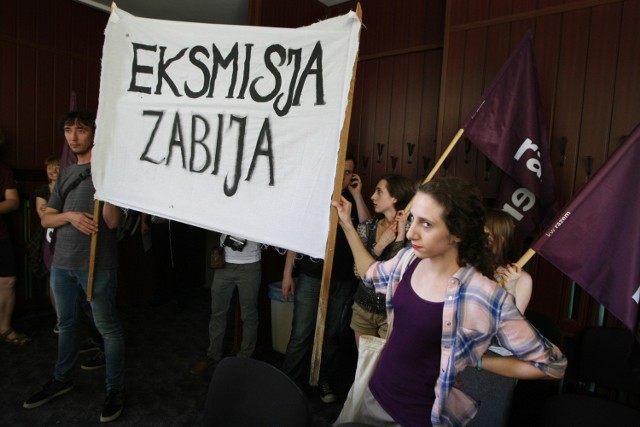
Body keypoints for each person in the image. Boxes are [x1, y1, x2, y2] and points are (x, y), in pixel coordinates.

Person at [331, 177, 567, 426]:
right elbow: (371, 274)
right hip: (375, 393)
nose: (411, 232)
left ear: (456, 233)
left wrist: (475, 360)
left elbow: (552, 365)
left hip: (416, 416)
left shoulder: (482, 294)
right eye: (413, 219)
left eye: (427, 224)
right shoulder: (409, 260)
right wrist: (346, 223)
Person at [23, 110, 125, 423]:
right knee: (66, 325)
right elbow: (46, 218)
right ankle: (63, 378)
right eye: (68, 130)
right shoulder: (66, 173)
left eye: (80, 130)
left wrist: (109, 189)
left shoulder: (109, 171)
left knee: (107, 328)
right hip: (62, 265)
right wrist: (71, 216)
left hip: (97, 264)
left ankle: (114, 390)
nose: (73, 136)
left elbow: (111, 221)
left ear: (94, 132)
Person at [280, 154, 371, 403]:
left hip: (342, 279)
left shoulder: (353, 202)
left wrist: (358, 194)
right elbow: (296, 238)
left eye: (350, 171)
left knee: (332, 334)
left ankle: (322, 381)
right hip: (311, 276)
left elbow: (368, 227)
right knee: (301, 332)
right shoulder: (317, 197)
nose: (346, 175)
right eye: (342, 169)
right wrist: (288, 274)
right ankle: (287, 384)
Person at [351, 174, 413, 347]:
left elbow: (398, 275)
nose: (372, 197)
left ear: (395, 197)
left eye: (379, 191)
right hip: (363, 309)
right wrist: (379, 245)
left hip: (393, 313)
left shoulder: (412, 231)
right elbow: (358, 272)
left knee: (385, 368)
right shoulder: (366, 228)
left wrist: (400, 237)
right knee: (364, 365)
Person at [190, 235, 262, 375]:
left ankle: (244, 358)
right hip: (224, 262)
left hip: (250, 264)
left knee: (249, 316)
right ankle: (213, 355)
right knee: (217, 312)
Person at [0, 129, 31, 346]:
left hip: (1, 235)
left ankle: (4, 327)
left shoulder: (4, 170)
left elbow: (13, 201)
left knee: (8, 281)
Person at [485, 208, 533, 314]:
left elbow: (513, 325)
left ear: (501, 240)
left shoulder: (521, 279)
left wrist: (510, 290)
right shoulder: (462, 267)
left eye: (487, 237)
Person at [34, 156, 60, 330]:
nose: (53, 171)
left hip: (68, 237)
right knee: (53, 279)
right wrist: (63, 213)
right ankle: (60, 319)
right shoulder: (42, 190)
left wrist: (53, 212)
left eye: (57, 167)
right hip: (49, 239)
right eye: (50, 168)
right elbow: (45, 218)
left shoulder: (67, 188)